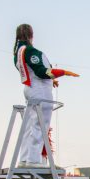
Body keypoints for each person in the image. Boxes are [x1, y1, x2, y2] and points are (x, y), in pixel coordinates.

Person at [13, 24, 79, 168]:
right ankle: (34, 160)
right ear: (31, 35)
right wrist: (63, 72)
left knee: (30, 125)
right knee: (40, 125)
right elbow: (41, 71)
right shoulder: (31, 50)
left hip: (30, 88)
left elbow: (30, 71)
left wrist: (52, 80)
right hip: (39, 90)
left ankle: (24, 159)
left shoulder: (18, 52)